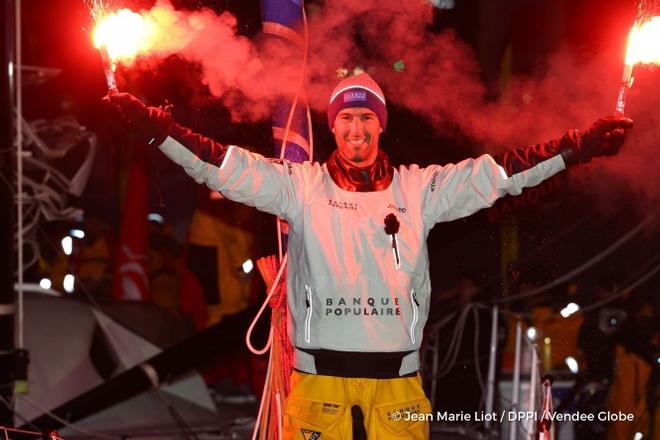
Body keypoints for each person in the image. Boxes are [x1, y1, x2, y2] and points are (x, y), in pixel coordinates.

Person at [104, 73, 633, 439]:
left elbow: (502, 173)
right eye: (346, 120)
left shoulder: (420, 190)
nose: (356, 130)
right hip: (318, 382)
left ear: (381, 126)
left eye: (366, 119)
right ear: (332, 127)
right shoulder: (299, 187)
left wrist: (578, 145)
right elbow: (220, 166)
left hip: (397, 382)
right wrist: (157, 129)